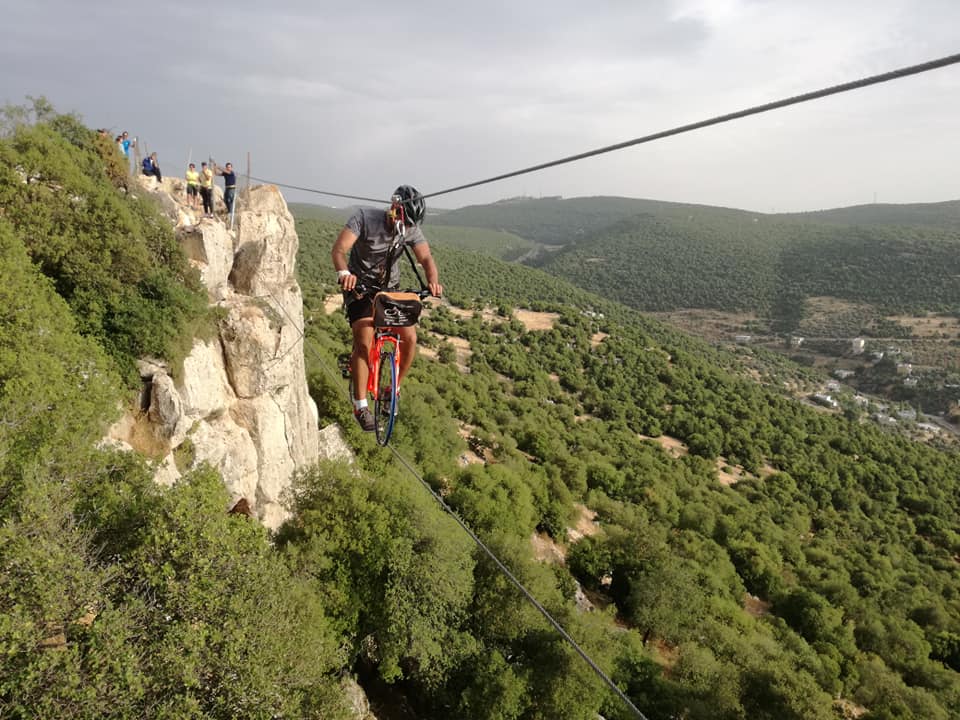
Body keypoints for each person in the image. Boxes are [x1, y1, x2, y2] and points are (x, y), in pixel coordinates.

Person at [331, 185, 442, 431]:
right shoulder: (364, 218)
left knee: (410, 337)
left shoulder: (410, 228)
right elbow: (339, 250)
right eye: (406, 221)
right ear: (394, 208)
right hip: (359, 286)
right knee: (364, 340)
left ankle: (393, 388)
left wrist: (433, 280)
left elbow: (425, 259)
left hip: (390, 289)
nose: (408, 228)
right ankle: (360, 406)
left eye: (412, 224)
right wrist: (344, 273)